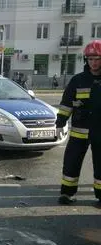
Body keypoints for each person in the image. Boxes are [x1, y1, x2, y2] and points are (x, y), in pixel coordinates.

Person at [56, 39, 101, 204]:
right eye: (90, 59)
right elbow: (67, 103)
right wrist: (60, 121)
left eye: (97, 59)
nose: (93, 63)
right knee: (71, 162)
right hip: (79, 131)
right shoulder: (78, 80)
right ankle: (67, 193)